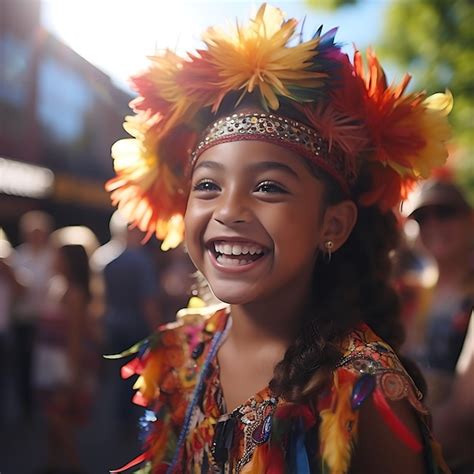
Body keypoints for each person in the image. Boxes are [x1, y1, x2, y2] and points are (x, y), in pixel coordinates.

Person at [105, 5, 453, 473]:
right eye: (207, 185)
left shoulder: (363, 390)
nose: (227, 211)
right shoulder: (180, 351)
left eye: (268, 186)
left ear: (333, 225)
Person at [405, 176, 474, 408]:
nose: (433, 225)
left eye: (444, 213)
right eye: (421, 218)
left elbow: (464, 411)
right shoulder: (405, 292)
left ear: (470, 219)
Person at [34, 243, 99, 474]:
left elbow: (75, 335)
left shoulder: (75, 294)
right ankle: (53, 462)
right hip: (49, 360)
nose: (54, 261)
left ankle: (73, 465)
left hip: (63, 364)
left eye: (59, 257)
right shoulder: (56, 286)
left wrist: (73, 371)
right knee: (52, 416)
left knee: (58, 416)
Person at [10, 210, 55, 419]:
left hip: (45, 320)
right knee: (24, 365)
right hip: (23, 320)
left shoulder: (53, 257)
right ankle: (26, 408)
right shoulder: (17, 257)